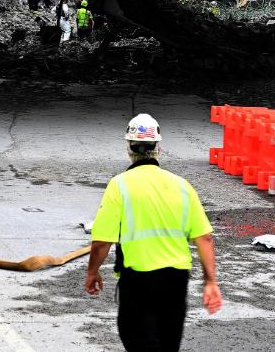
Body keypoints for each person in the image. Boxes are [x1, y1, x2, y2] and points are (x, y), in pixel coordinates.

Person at [85, 114, 221, 351]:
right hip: (176, 280)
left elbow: (101, 243)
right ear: (158, 148)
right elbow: (205, 237)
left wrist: (92, 272)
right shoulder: (182, 186)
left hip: (138, 280)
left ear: (129, 147)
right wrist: (210, 281)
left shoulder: (120, 185)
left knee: (139, 342)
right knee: (167, 345)